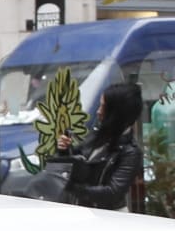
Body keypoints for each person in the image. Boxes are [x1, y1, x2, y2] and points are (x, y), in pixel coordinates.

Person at [57, 80, 146, 212]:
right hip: (83, 210)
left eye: (103, 107)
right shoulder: (97, 136)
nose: (98, 112)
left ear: (116, 113)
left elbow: (113, 193)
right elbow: (78, 163)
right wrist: (64, 150)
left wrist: (73, 188)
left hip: (108, 218)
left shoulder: (130, 152)